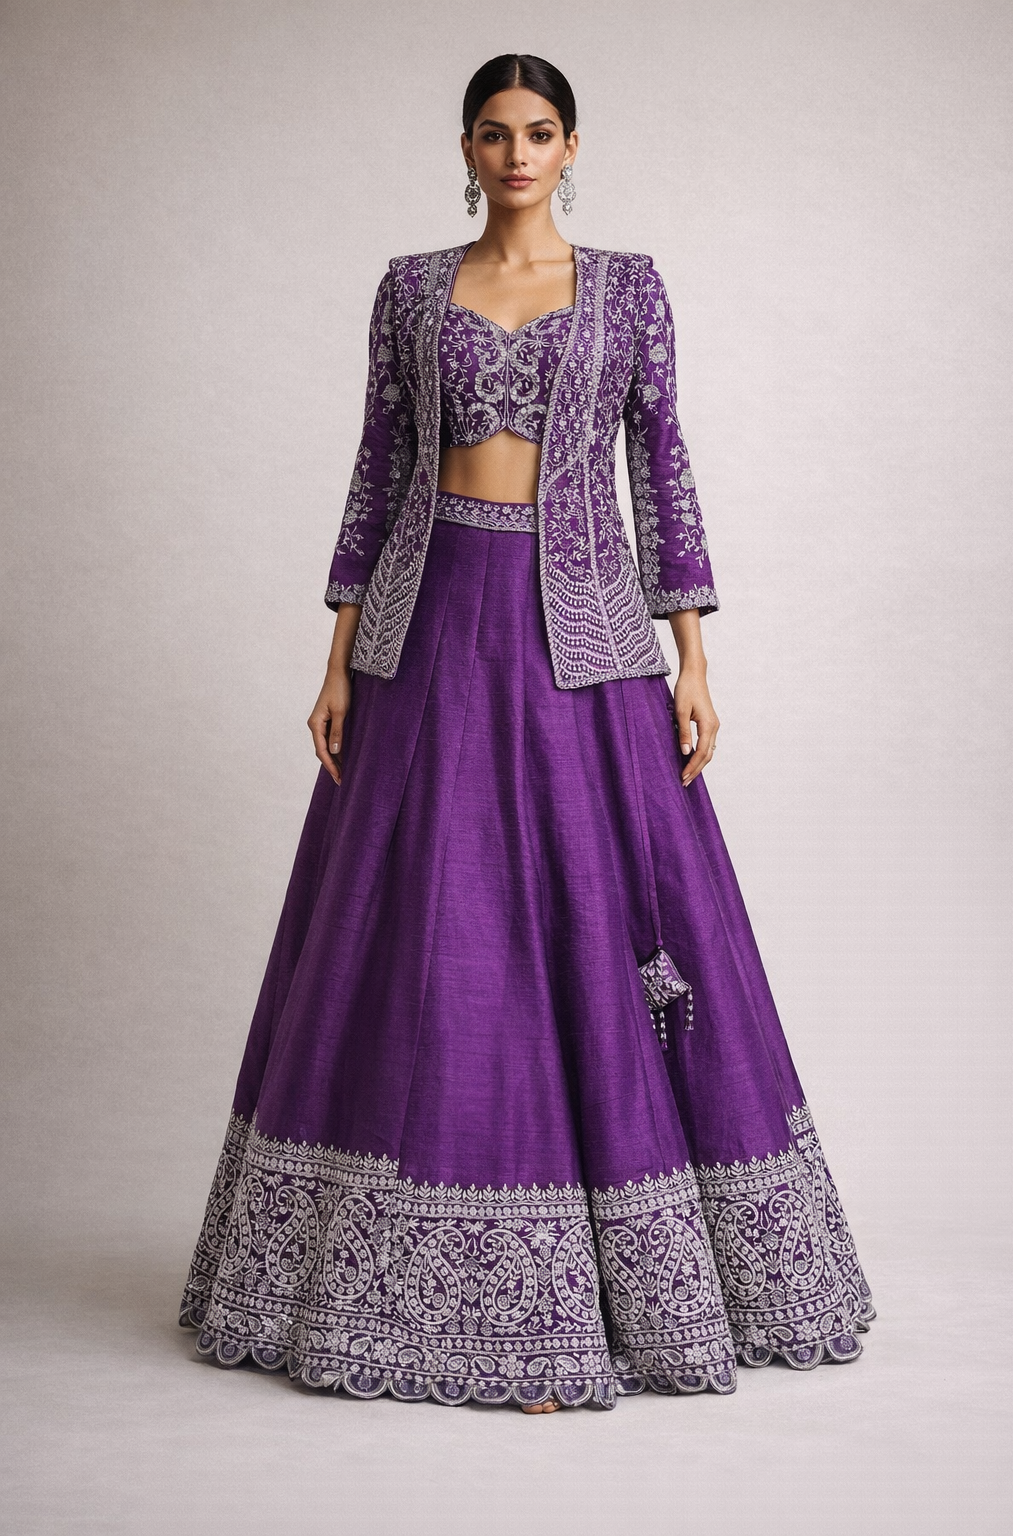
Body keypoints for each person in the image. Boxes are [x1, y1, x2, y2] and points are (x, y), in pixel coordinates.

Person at [180, 53, 873, 1415]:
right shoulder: (409, 288)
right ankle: (403, 1286)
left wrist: (693, 658)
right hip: (430, 622)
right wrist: (336, 657)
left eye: (538, 132)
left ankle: (618, 1290)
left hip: (583, 638)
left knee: (592, 916)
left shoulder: (626, 288)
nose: (515, 154)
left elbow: (662, 468)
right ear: (466, 148)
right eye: (494, 133)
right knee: (432, 922)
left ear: (571, 147)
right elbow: (378, 470)